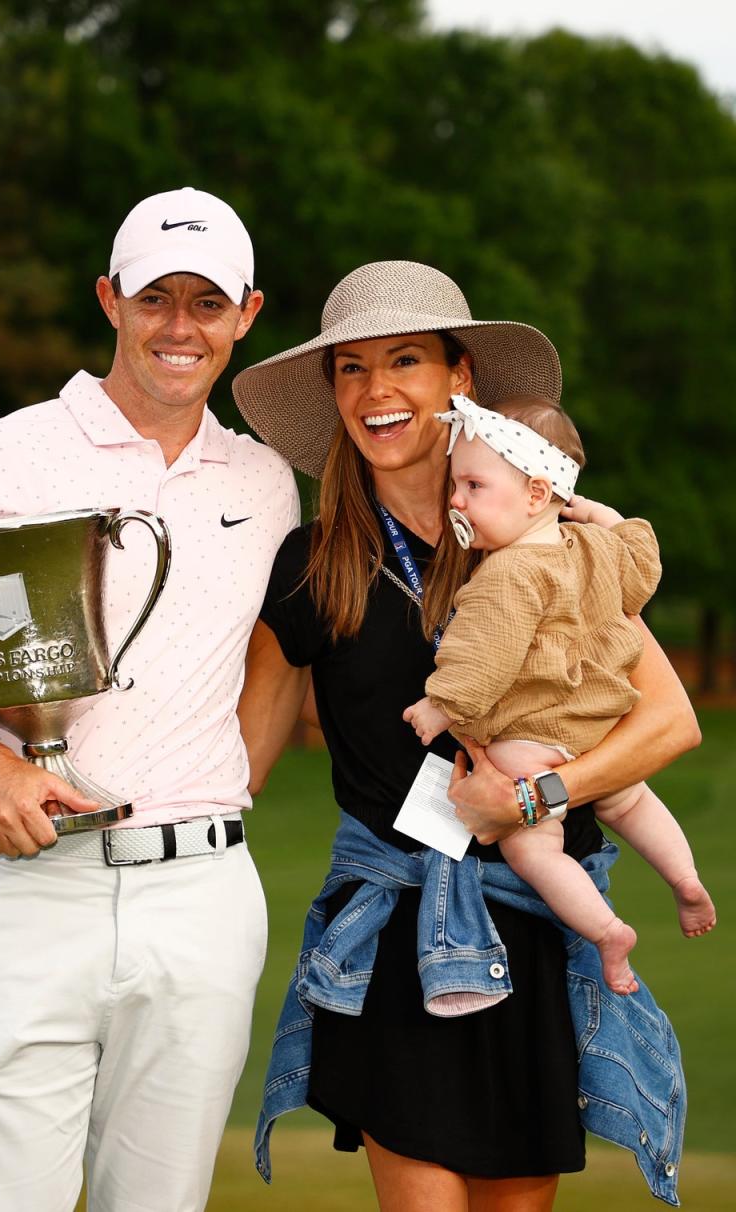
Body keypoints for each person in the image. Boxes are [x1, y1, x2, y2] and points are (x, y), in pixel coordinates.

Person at [0, 186, 300, 1212]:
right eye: (155, 299)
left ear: (248, 315)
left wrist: (228, 787)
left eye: (207, 302)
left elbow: (281, 647)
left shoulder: (268, 481)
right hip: (28, 894)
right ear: (109, 299)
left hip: (200, 902)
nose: (179, 327)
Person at [232, 261, 700, 1211]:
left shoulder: (545, 535)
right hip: (396, 934)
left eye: (404, 359)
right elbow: (234, 764)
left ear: (461, 382)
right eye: (351, 369)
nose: (376, 390)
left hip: (537, 920)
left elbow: (668, 721)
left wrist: (530, 798)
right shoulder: (312, 565)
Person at [404, 393, 716, 997]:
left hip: (532, 739)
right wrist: (601, 514)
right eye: (455, 486)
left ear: (538, 494)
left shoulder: (504, 574)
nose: (456, 501)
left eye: (473, 486)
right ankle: (685, 878)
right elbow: (642, 566)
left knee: (535, 850)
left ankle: (606, 932)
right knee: (632, 804)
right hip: (599, 728)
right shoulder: (595, 550)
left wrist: (441, 705)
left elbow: (483, 659)